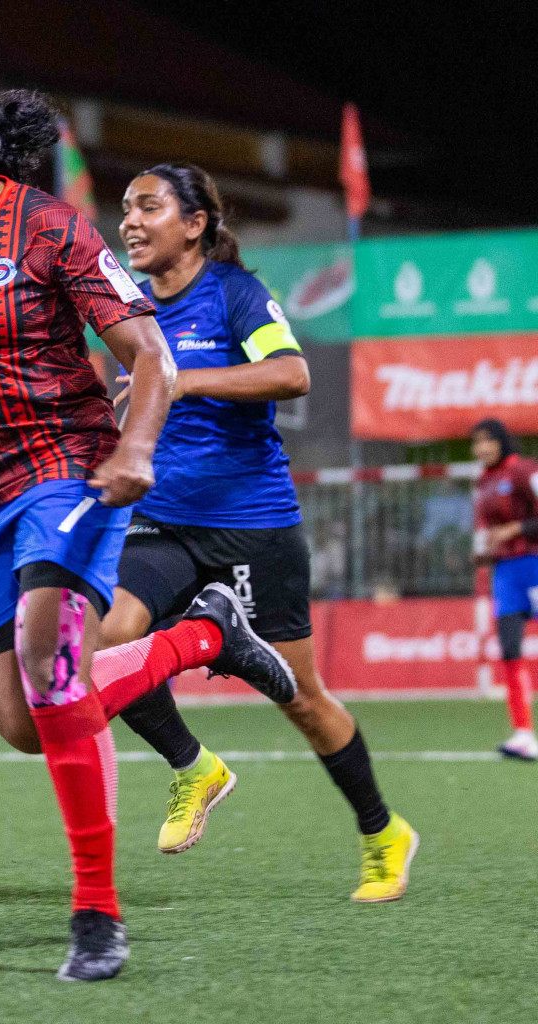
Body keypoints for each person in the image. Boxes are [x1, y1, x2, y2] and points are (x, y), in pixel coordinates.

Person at [0, 61, 297, 982]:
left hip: (67, 472)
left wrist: (133, 452)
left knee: (54, 672)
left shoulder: (50, 225)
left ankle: (96, 914)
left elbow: (147, 353)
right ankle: (204, 635)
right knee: (26, 722)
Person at [102, 162, 417, 901]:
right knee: (112, 641)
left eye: (148, 206)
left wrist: (183, 378)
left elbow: (291, 374)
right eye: (125, 209)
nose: (130, 222)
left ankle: (382, 832)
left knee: (301, 699)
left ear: (195, 222)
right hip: (163, 522)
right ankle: (194, 767)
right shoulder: (132, 313)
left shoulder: (236, 294)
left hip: (253, 529)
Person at [470, 417, 538, 760]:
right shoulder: (483, 482)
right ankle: (524, 733)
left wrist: (515, 530)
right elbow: (488, 530)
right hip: (506, 573)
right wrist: (484, 551)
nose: (482, 447)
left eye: (488, 440)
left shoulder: (524, 472)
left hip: (534, 564)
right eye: (476, 442)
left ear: (502, 441)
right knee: (510, 648)